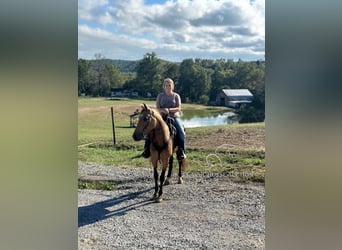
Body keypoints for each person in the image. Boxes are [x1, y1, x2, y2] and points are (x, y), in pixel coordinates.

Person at [142, 78, 186, 160]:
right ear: (164, 86)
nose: (168, 86)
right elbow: (157, 108)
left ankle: (181, 151)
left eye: (169, 85)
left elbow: (179, 108)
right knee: (150, 130)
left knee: (181, 132)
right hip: (161, 117)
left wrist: (169, 110)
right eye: (166, 85)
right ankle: (146, 149)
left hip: (174, 117)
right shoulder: (160, 96)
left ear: (172, 86)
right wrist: (163, 110)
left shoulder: (176, 96)